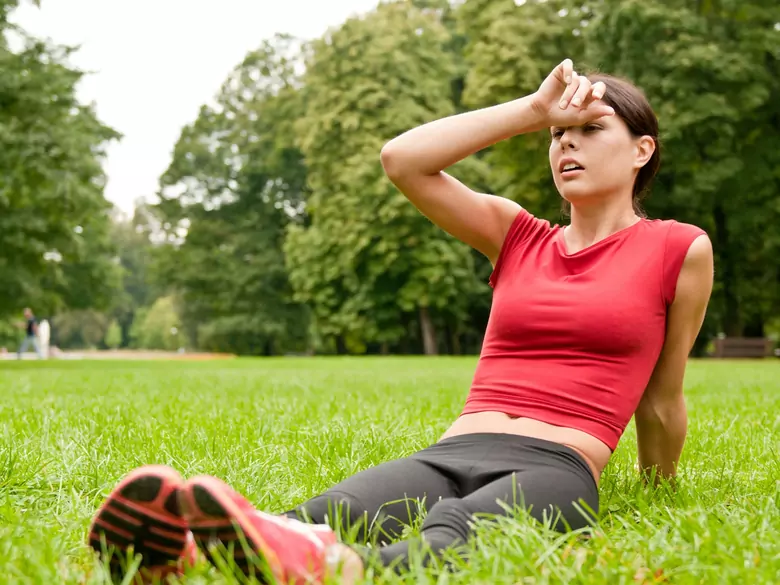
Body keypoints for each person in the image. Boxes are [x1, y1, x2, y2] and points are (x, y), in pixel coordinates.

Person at [87, 59, 714, 584]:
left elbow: (662, 398)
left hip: (558, 465)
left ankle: (341, 570)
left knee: (455, 532)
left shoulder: (678, 249)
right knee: (328, 511)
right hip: (455, 448)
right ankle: (182, 558)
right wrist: (532, 110)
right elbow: (403, 159)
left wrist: (656, 493)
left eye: (589, 128)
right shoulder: (518, 235)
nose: (566, 142)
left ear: (642, 149)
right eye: (558, 134)